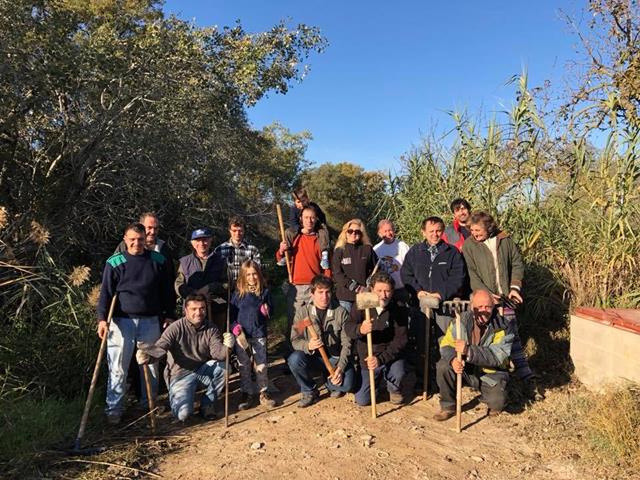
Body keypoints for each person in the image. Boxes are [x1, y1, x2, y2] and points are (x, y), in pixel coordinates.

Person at [97, 222, 176, 424]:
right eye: (132, 239)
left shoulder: (157, 260)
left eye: (140, 239)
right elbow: (105, 293)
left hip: (150, 320)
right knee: (118, 366)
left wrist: (169, 314)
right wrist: (102, 320)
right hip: (121, 321)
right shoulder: (115, 262)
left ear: (146, 239)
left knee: (150, 364)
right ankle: (114, 409)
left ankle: (149, 403)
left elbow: (167, 290)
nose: (136, 243)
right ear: (125, 239)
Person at [461, 211, 541, 398]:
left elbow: (517, 264)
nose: (475, 234)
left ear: (489, 227)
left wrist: (514, 288)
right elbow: (472, 274)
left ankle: (526, 378)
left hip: (506, 298)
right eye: (472, 230)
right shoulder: (469, 246)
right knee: (486, 339)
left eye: (478, 230)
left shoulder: (505, 240)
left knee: (511, 338)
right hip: (484, 302)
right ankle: (487, 381)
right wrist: (488, 296)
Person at [136, 294, 235, 421]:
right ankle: (180, 398)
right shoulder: (175, 328)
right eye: (194, 309)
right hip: (180, 376)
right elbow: (160, 348)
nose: (199, 312)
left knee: (225, 368)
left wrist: (228, 347)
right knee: (183, 415)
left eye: (202, 308)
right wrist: (148, 356)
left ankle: (207, 404)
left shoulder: (211, 328)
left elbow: (219, 355)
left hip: (201, 370)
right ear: (185, 310)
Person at [433, 290, 514, 420]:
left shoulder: (504, 326)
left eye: (487, 307)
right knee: (443, 366)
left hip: (490, 372)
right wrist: (453, 359)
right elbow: (445, 345)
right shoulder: (460, 321)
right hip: (466, 369)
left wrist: (469, 351)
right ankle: (448, 406)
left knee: (497, 402)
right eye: (479, 307)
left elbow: (499, 356)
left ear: (493, 307)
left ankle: (488, 396)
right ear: (472, 307)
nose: (483, 310)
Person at [288, 275, 354, 407]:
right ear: (312, 294)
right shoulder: (303, 313)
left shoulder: (341, 313)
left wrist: (340, 368)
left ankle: (329, 382)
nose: (324, 296)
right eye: (320, 292)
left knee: (347, 385)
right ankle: (309, 391)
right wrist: (309, 345)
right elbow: (295, 340)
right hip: (313, 358)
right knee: (294, 359)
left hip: (335, 359)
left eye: (328, 292)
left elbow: (348, 344)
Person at [345, 271, 408, 406]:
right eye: (379, 290)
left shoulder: (398, 308)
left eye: (387, 291)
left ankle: (393, 388)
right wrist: (359, 330)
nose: (383, 295)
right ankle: (377, 383)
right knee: (362, 400)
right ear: (372, 289)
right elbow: (348, 326)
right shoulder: (362, 305)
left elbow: (400, 341)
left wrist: (381, 359)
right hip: (368, 358)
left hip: (391, 357)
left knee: (398, 372)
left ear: (392, 291)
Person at [277, 206, 331, 351]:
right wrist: (282, 250)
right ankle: (293, 353)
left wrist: (327, 283)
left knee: (316, 320)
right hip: (297, 288)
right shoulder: (293, 236)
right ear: (301, 219)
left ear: (316, 219)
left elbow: (326, 265)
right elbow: (281, 260)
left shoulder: (320, 239)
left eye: (312, 217)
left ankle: (317, 353)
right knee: (296, 323)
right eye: (306, 217)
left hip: (315, 288)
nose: (309, 220)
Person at [229, 260, 276, 410]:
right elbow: (232, 315)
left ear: (259, 274)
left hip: (258, 332)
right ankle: (246, 392)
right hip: (242, 334)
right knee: (244, 365)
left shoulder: (264, 292)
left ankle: (263, 391)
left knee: (261, 364)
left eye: (254, 274)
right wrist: (234, 326)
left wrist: (266, 311)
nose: (252, 277)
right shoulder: (238, 294)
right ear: (243, 276)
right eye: (248, 274)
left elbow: (271, 312)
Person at [175, 228, 228, 331]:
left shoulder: (221, 260)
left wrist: (210, 288)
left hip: (216, 309)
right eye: (198, 240)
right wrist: (195, 294)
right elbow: (178, 284)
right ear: (192, 243)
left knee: (216, 340)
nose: (202, 243)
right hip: (192, 311)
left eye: (205, 240)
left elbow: (227, 284)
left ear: (210, 240)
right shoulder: (185, 262)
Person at [331, 218, 378, 312]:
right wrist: (355, 287)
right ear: (345, 233)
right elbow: (337, 274)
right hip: (346, 297)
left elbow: (377, 270)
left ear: (361, 234)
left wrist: (370, 285)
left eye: (357, 232)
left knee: (369, 324)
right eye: (350, 231)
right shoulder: (339, 251)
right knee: (347, 325)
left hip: (366, 295)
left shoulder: (368, 249)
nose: (353, 234)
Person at [289, 187, 331, 269]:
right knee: (288, 232)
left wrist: (320, 225)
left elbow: (322, 216)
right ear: (295, 202)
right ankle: (287, 251)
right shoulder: (294, 209)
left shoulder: (313, 206)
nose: (301, 204)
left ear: (307, 199)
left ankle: (324, 255)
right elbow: (293, 222)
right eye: (298, 202)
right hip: (300, 229)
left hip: (314, 227)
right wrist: (300, 229)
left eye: (303, 201)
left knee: (324, 231)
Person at [214, 216, 261, 288]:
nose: (237, 233)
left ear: (244, 230)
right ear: (229, 230)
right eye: (234, 230)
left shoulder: (253, 250)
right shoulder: (220, 250)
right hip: (225, 289)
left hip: (246, 288)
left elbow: (257, 272)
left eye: (240, 230)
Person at [373, 219, 411, 305]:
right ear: (379, 233)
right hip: (384, 291)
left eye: (390, 230)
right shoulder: (376, 249)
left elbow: (410, 266)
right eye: (385, 231)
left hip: (401, 287)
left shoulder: (402, 245)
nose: (388, 233)